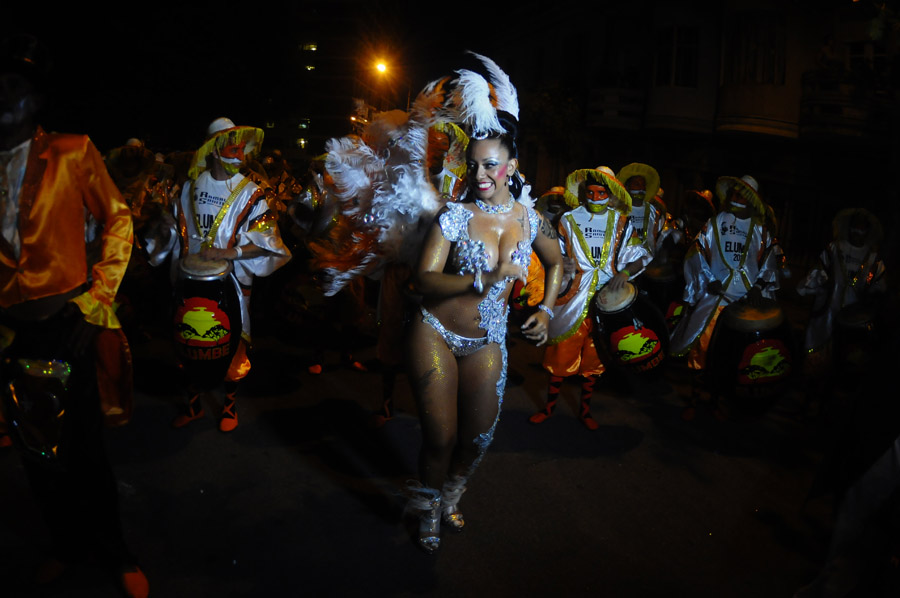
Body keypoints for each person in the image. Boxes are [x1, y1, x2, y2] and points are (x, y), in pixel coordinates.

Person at [0, 34, 148, 597]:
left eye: (14, 86)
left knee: (86, 452)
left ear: (36, 100)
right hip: (12, 333)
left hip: (68, 324)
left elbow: (118, 219)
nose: (2, 96)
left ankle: (115, 551)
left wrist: (96, 300)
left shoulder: (70, 149)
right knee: (38, 452)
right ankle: (64, 544)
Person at [405, 54, 563, 553]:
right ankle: (428, 504)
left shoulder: (529, 220)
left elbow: (557, 264)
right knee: (441, 438)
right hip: (435, 331)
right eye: (474, 165)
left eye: (490, 164)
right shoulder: (454, 217)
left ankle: (451, 495)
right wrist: (481, 278)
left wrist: (546, 309)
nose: (480, 174)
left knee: (477, 441)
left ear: (512, 166)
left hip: (488, 340)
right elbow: (423, 281)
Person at [169, 117, 291, 432]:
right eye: (232, 148)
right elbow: (174, 233)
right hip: (191, 280)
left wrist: (230, 253)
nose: (240, 155)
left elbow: (269, 241)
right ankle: (194, 405)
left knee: (233, 342)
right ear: (213, 151)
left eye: (241, 149)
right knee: (189, 341)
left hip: (233, 282)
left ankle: (229, 406)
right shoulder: (188, 187)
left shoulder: (253, 192)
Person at [529, 167, 650, 429]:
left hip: (608, 304)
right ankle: (549, 408)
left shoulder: (622, 222)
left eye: (601, 192)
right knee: (560, 355)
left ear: (611, 194)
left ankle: (585, 411)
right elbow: (550, 252)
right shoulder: (567, 219)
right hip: (571, 299)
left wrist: (627, 272)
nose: (595, 197)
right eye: (591, 192)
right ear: (584, 193)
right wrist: (561, 262)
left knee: (595, 361)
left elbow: (641, 255)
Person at [669, 175, 780, 404]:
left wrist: (759, 287)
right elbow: (696, 252)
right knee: (702, 347)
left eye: (742, 194)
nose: (736, 198)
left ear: (751, 200)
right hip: (715, 298)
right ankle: (695, 399)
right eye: (734, 193)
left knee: (734, 354)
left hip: (745, 303)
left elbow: (769, 262)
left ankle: (720, 401)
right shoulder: (716, 222)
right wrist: (708, 279)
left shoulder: (761, 230)